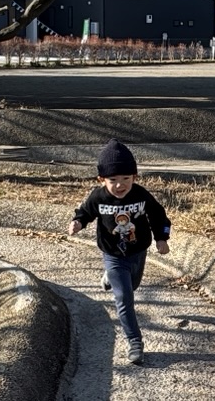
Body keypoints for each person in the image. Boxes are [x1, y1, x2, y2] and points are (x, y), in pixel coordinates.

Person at [69, 139, 172, 365]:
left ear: (134, 177)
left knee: (132, 286)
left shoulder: (140, 195)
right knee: (124, 298)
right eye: (113, 180)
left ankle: (110, 277)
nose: (120, 185)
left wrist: (161, 238)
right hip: (113, 254)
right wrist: (78, 222)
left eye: (126, 178)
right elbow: (85, 212)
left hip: (138, 251)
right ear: (102, 179)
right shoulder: (99, 197)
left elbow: (158, 215)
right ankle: (135, 341)